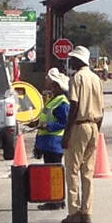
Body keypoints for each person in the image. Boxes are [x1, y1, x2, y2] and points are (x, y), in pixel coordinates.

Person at [62, 45, 105, 223]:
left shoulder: (77, 78)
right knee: (87, 172)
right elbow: (101, 108)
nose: (70, 61)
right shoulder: (96, 78)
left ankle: (73, 211)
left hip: (79, 125)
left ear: (78, 60)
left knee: (72, 170)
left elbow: (74, 106)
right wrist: (97, 129)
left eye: (72, 58)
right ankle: (87, 211)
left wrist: (67, 132)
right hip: (94, 125)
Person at [33, 69, 70, 210]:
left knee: (53, 173)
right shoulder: (54, 100)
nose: (48, 85)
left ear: (57, 86)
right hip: (48, 143)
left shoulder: (62, 102)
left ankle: (55, 201)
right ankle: (56, 200)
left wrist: (48, 126)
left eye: (52, 84)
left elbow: (64, 122)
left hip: (54, 143)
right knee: (52, 172)